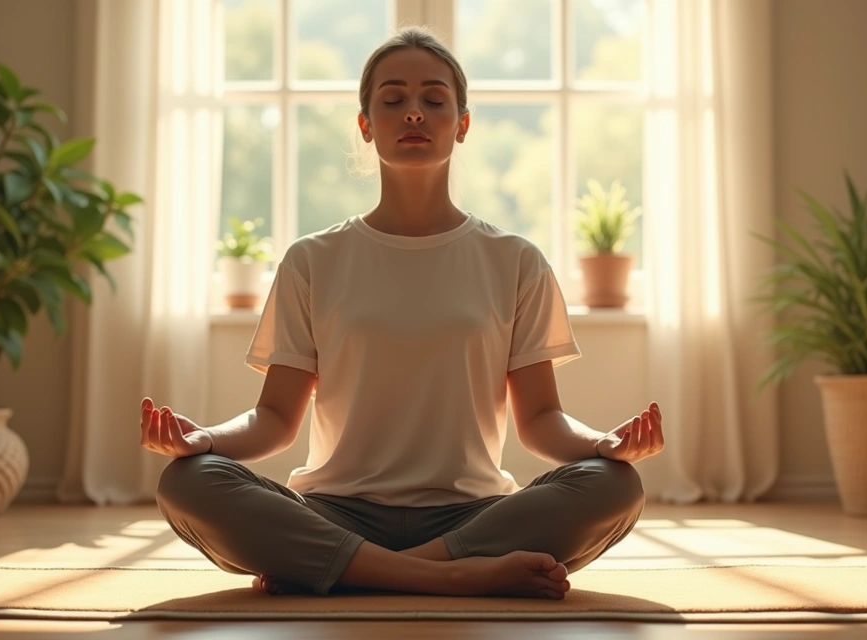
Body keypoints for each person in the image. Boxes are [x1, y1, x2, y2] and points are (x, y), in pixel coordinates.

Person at [142, 26, 665, 600]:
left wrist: (604, 446)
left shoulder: (515, 260)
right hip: (336, 513)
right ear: (366, 125)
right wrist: (204, 439)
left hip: (471, 518)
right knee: (188, 480)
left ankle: (354, 572)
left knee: (615, 486)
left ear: (462, 124)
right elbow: (274, 419)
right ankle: (446, 577)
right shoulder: (312, 260)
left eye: (434, 100)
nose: (413, 112)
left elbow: (540, 420)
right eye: (393, 100)